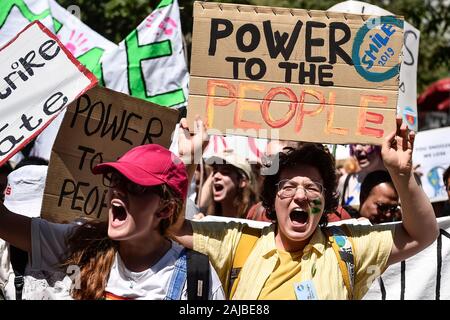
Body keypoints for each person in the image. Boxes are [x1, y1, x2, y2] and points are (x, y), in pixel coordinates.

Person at [171, 117, 439, 300]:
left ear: (325, 202)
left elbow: (423, 234)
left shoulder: (348, 249)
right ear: (273, 199)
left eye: (312, 188)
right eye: (288, 187)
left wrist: (401, 175)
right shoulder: (239, 242)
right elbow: (172, 225)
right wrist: (187, 160)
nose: (300, 195)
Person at [0, 144, 224, 300]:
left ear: (165, 208)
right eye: (115, 180)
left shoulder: (196, 277)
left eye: (135, 186)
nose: (117, 190)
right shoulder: (83, 245)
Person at [197, 150, 257, 219]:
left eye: (225, 172)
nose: (216, 176)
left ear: (242, 182)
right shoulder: (206, 220)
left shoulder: (255, 219)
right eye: (215, 171)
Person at [337, 144, 386, 210]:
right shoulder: (345, 181)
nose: (357, 149)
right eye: (354, 144)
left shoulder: (398, 180)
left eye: (364, 144)